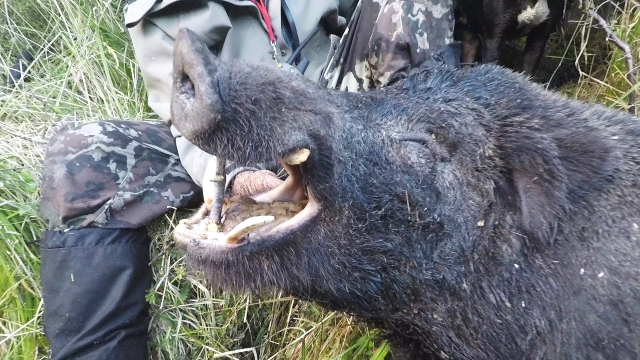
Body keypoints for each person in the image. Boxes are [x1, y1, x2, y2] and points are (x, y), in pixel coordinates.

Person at [37, 0, 456, 358]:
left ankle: (437, 163)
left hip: (346, 119)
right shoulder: (161, 8)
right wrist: (233, 173)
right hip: (229, 138)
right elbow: (183, 112)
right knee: (79, 154)